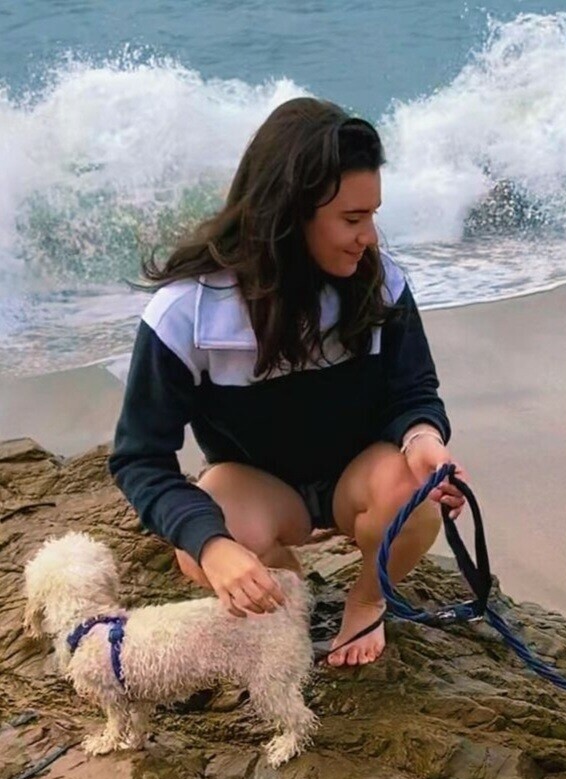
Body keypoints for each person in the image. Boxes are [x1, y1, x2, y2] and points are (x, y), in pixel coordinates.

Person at [109, 96, 467, 667]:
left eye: (372, 215)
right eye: (352, 219)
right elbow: (139, 458)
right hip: (262, 491)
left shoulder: (379, 284)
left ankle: (367, 600)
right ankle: (290, 597)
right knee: (198, 550)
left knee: (416, 493)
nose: (370, 237)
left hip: (358, 481)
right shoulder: (186, 315)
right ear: (290, 213)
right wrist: (214, 545)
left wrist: (422, 438)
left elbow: (413, 392)